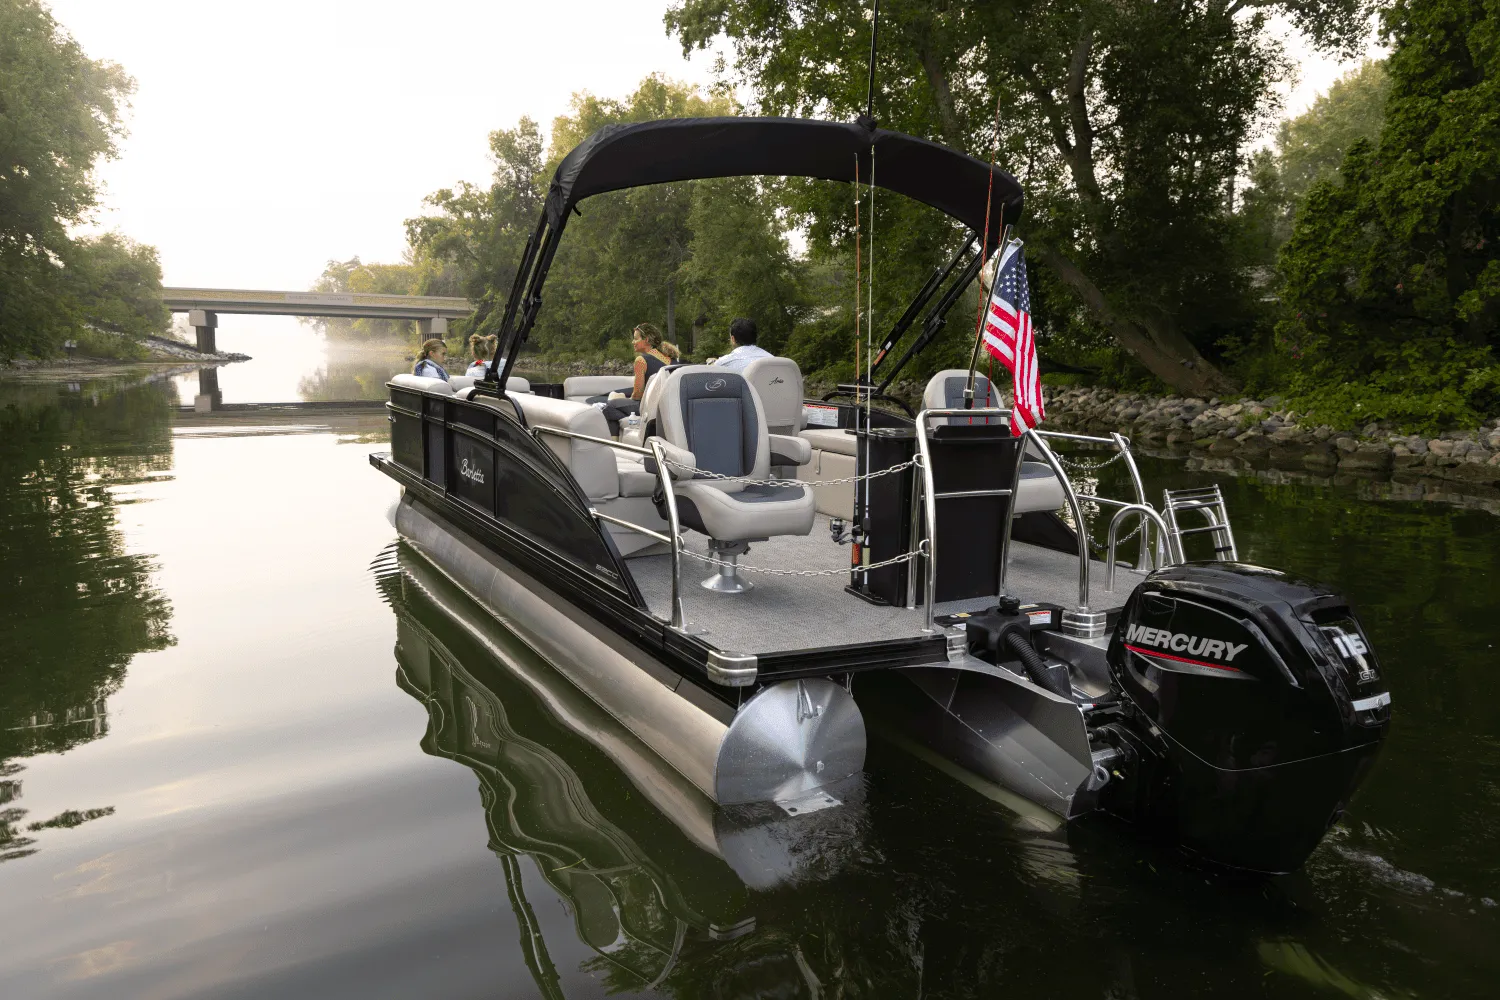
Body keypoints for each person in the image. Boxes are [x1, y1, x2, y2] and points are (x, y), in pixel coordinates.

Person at [589, 323, 680, 435]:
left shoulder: (641, 360)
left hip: (648, 407)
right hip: (666, 407)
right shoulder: (672, 360)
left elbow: (637, 395)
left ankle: (615, 441)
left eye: (636, 338)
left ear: (646, 340)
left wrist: (623, 398)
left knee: (608, 407)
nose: (633, 342)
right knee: (616, 405)